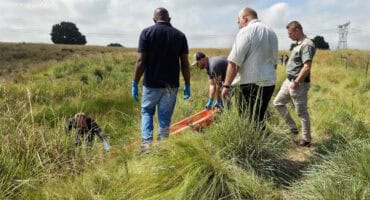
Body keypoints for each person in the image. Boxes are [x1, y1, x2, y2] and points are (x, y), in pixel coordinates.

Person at [131, 7, 191, 152]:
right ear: (169, 19)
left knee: (147, 112)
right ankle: (162, 147)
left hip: (151, 84)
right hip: (171, 85)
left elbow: (140, 62)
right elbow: (185, 63)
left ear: (154, 19)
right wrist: (187, 84)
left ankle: (146, 145)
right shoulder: (180, 36)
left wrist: (135, 83)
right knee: (164, 118)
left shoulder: (146, 33)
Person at [221, 7, 278, 131]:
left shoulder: (246, 31)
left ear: (245, 18)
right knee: (259, 119)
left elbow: (234, 61)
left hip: (249, 84)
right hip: (269, 82)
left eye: (238, 21)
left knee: (246, 120)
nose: (238, 25)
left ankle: (252, 148)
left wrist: (226, 86)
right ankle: (264, 146)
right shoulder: (272, 32)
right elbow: (275, 64)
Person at [273, 21, 315, 147]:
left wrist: (297, 81)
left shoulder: (307, 44)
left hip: (298, 83)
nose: (288, 36)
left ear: (297, 30)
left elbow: (307, 67)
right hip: (289, 81)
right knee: (277, 103)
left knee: (301, 112)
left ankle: (306, 140)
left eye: (290, 33)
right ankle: (293, 128)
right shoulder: (298, 44)